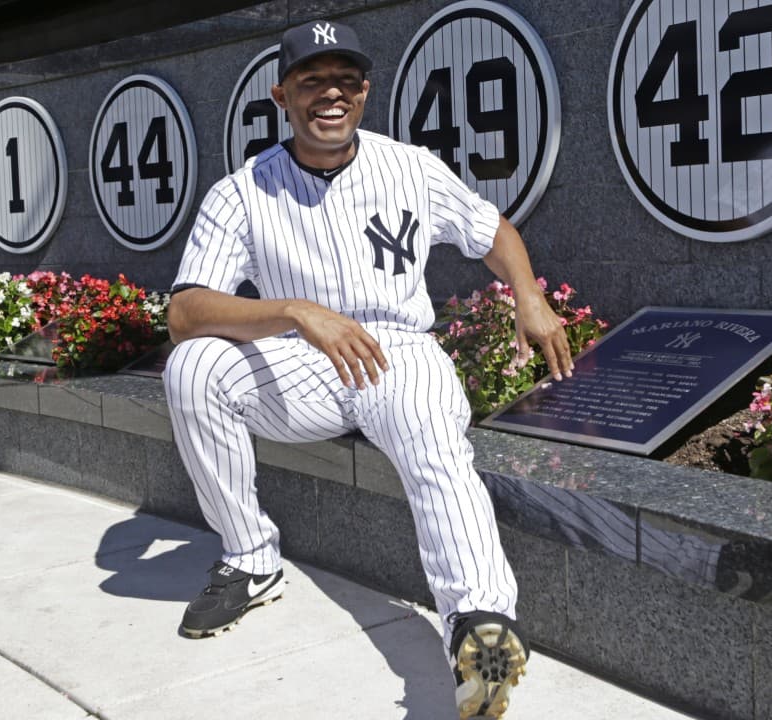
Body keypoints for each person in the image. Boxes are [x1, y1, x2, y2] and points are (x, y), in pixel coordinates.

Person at [162, 19, 572, 719]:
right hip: (300, 360)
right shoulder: (242, 191)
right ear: (281, 96)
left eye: (345, 80)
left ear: (365, 91)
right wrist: (293, 312)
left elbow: (490, 230)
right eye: (312, 81)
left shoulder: (409, 166)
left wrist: (530, 297)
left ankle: (481, 629)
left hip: (396, 350)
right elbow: (186, 312)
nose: (331, 94)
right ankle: (250, 558)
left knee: (432, 442)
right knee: (194, 367)